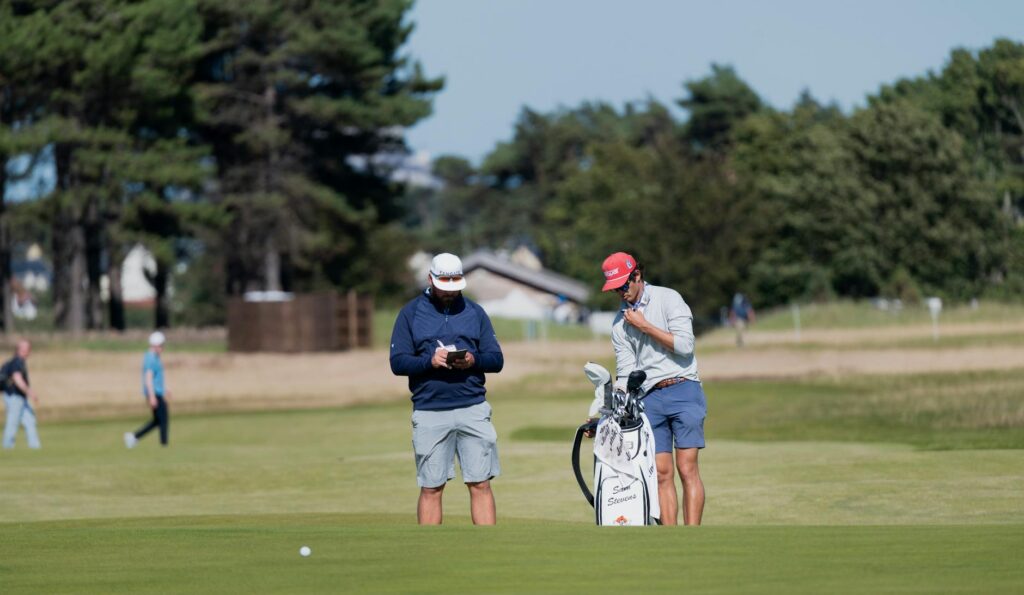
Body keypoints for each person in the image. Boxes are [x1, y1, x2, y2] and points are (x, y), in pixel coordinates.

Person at [389, 252, 505, 525]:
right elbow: (397, 362)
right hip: (430, 410)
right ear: (430, 279)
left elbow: (496, 360)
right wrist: (430, 361)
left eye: (455, 286)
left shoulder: (475, 312)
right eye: (444, 286)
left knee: (480, 483)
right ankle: (431, 551)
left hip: (473, 407)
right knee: (431, 487)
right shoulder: (410, 313)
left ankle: (488, 550)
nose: (450, 293)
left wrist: (473, 360)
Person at [600, 252, 706, 525]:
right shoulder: (618, 325)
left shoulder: (668, 298)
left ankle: (693, 537)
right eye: (615, 289)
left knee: (687, 468)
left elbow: (685, 346)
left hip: (683, 387)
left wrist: (644, 326)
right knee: (661, 472)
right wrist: (609, 406)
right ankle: (671, 541)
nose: (620, 293)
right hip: (649, 398)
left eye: (623, 285)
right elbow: (624, 372)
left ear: (637, 276)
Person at [124, 331, 172, 448]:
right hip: (154, 394)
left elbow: (157, 378)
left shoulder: (154, 357)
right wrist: (152, 397)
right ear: (155, 345)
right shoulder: (151, 358)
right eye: (161, 345)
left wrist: (164, 389)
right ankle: (164, 445)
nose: (162, 348)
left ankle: (134, 437)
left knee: (157, 420)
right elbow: (148, 378)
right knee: (163, 419)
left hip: (157, 392)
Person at [2, 339, 41, 449]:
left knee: (29, 420)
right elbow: (17, 378)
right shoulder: (17, 362)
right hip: (15, 396)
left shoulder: (15, 362)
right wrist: (30, 393)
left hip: (19, 397)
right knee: (12, 422)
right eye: (27, 349)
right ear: (21, 350)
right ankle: (7, 447)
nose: (28, 351)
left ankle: (35, 447)